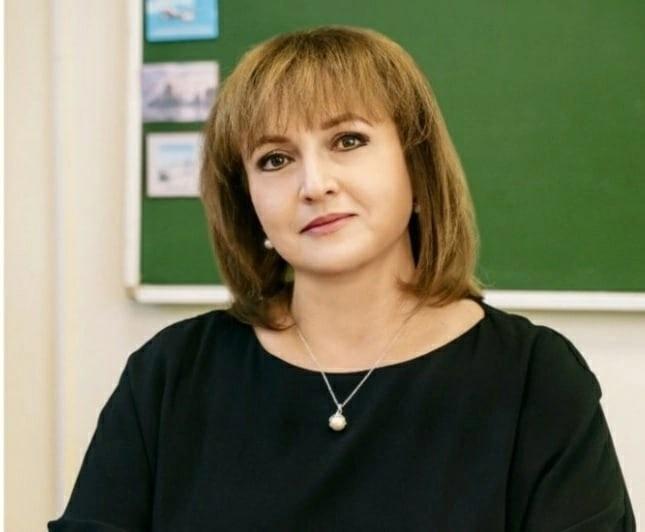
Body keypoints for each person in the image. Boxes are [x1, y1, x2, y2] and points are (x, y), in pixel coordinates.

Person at [48, 25, 635, 531]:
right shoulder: (170, 374)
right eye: (275, 159)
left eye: (348, 140)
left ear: (416, 166)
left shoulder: (536, 379)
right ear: (247, 201)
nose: (314, 184)